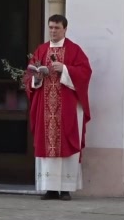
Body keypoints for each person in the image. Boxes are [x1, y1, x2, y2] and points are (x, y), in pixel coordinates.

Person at [25, 14, 93, 201]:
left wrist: (65, 69)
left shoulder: (74, 50)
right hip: (45, 108)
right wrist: (36, 78)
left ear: (65, 29)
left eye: (57, 28)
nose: (53, 31)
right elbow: (28, 76)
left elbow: (85, 73)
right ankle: (49, 188)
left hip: (67, 108)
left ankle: (65, 189)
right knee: (46, 144)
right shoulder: (41, 50)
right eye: (51, 27)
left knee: (66, 142)